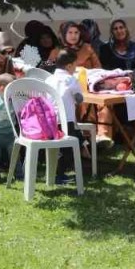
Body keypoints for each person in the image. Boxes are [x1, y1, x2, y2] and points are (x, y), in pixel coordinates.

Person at [45, 50, 84, 181]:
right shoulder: (71, 79)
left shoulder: (49, 79)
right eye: (75, 65)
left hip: (49, 120)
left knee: (58, 146)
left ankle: (55, 171)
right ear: (69, 66)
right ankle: (60, 174)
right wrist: (79, 97)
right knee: (71, 145)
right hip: (66, 120)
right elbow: (79, 98)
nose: (75, 68)